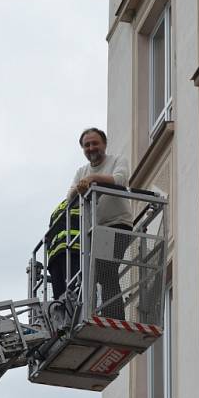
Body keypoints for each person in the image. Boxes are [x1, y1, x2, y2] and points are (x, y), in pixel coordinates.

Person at [68, 128, 133, 320]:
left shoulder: (117, 161)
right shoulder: (81, 171)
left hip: (119, 223)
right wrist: (79, 189)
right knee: (100, 273)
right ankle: (106, 314)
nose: (91, 148)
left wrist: (93, 179)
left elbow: (120, 180)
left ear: (104, 144)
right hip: (95, 230)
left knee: (105, 269)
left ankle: (112, 316)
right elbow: (69, 197)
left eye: (95, 143)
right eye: (87, 145)